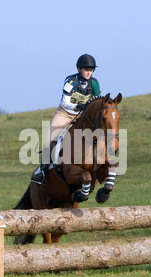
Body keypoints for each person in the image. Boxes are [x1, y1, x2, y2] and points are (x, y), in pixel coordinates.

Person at [31, 54, 101, 184]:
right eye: (86, 69)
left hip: (82, 115)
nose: (89, 72)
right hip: (65, 113)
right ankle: (41, 171)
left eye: (91, 70)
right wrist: (77, 105)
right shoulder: (71, 81)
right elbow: (64, 102)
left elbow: (97, 101)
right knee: (50, 140)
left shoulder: (94, 83)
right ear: (79, 69)